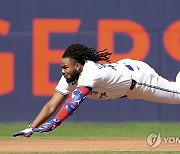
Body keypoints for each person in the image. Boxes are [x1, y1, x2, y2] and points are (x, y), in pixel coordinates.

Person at [13, 44, 180, 137]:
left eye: (66, 67)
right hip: (126, 72)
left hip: (140, 81)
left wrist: (54, 124)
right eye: (62, 67)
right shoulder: (70, 77)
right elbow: (51, 105)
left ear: (78, 65)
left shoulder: (90, 73)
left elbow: (74, 102)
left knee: (178, 95)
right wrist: (31, 126)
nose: (63, 71)